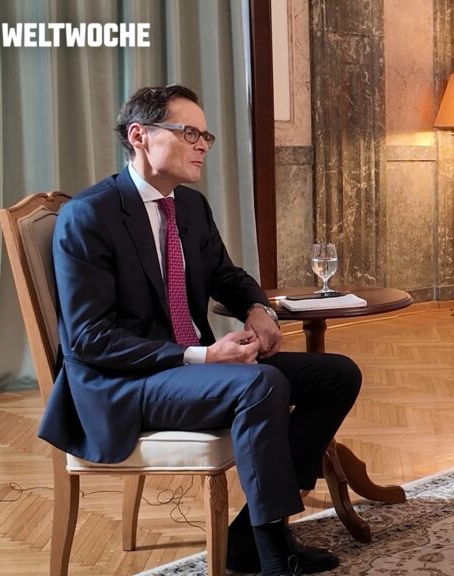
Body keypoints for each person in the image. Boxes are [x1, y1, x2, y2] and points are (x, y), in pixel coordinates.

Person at [39, 84, 360, 576]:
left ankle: (246, 536)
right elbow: (89, 339)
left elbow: (226, 275)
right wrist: (204, 356)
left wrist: (258, 308)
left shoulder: (188, 206)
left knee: (337, 374)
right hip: (121, 384)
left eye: (205, 135)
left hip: (187, 371)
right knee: (260, 384)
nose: (203, 145)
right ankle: (275, 555)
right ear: (139, 136)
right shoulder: (90, 216)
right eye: (189, 132)